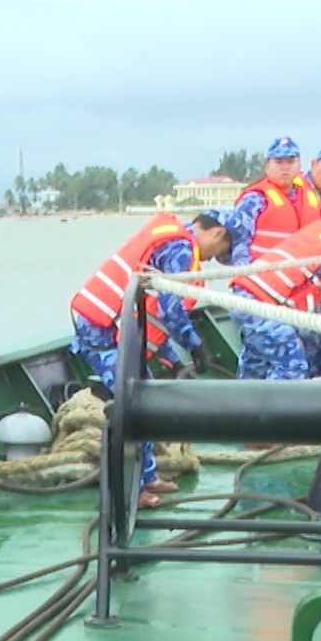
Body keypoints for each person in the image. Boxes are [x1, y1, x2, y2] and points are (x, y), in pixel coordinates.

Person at [68, 208, 243, 507]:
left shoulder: (174, 243)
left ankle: (148, 476)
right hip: (100, 333)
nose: (215, 257)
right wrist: (195, 345)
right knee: (134, 405)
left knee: (143, 396)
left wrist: (172, 360)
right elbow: (171, 309)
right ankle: (132, 491)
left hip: (112, 331)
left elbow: (149, 315)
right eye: (222, 249)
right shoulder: (182, 247)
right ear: (217, 233)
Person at [229, 212, 321, 380]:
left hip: (243, 297)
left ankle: (242, 402)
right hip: (261, 307)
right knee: (291, 365)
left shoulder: (316, 237)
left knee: (256, 362)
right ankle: (274, 406)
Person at [234, 137, 310, 259]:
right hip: (262, 272)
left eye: (290, 162)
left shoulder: (308, 197)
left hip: (298, 272)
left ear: (299, 166)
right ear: (267, 167)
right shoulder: (254, 199)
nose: (285, 167)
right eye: (279, 162)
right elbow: (239, 243)